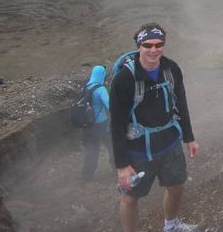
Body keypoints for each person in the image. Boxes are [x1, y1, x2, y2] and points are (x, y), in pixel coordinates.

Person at [109, 23, 199, 232]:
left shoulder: (171, 68)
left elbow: (181, 103)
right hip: (138, 149)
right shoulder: (124, 79)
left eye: (159, 44)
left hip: (170, 142)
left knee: (176, 185)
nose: (153, 50)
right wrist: (122, 165)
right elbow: (116, 123)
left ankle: (171, 225)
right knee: (131, 197)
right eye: (147, 45)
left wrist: (189, 137)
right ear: (139, 45)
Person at [81, 65, 111, 182]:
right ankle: (116, 169)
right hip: (100, 125)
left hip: (87, 125)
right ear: (102, 75)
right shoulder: (100, 89)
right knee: (112, 146)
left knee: (91, 150)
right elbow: (109, 105)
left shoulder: (85, 87)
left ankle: (87, 175)